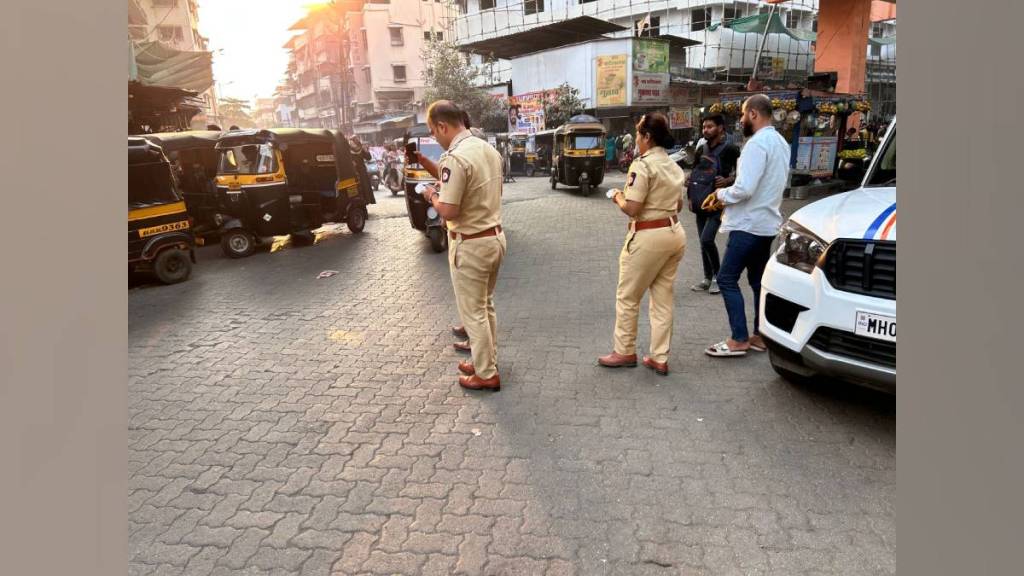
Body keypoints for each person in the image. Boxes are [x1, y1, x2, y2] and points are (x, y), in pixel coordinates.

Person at [416, 100, 506, 391]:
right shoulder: (487, 150)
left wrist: (431, 196)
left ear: (442, 126)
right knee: (486, 305)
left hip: (471, 244)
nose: (435, 138)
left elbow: (450, 209)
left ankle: (486, 373)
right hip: (494, 237)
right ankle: (487, 360)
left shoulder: (456, 157)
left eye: (433, 132)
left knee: (474, 312)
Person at [598, 112, 687, 376]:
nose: (636, 140)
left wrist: (616, 196)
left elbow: (633, 208)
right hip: (674, 233)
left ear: (647, 137)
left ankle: (624, 351)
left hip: (648, 237)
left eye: (638, 135)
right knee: (662, 299)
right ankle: (659, 356)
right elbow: (679, 204)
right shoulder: (673, 165)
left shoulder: (642, 165)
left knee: (628, 296)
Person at [704, 94, 790, 358]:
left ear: (753, 113)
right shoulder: (781, 143)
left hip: (748, 225)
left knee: (728, 279)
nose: (741, 120)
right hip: (766, 226)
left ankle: (739, 339)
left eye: (742, 115)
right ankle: (760, 335)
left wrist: (719, 196)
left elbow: (745, 188)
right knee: (756, 281)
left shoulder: (756, 144)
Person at [686, 114, 740, 295]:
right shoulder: (701, 149)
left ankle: (718, 277)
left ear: (721, 128)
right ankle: (707, 278)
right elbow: (694, 172)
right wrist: (689, 191)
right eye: (704, 127)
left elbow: (742, 175)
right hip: (700, 201)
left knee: (706, 239)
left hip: (718, 202)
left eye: (710, 126)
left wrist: (727, 180)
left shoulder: (731, 149)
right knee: (703, 242)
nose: (706, 130)